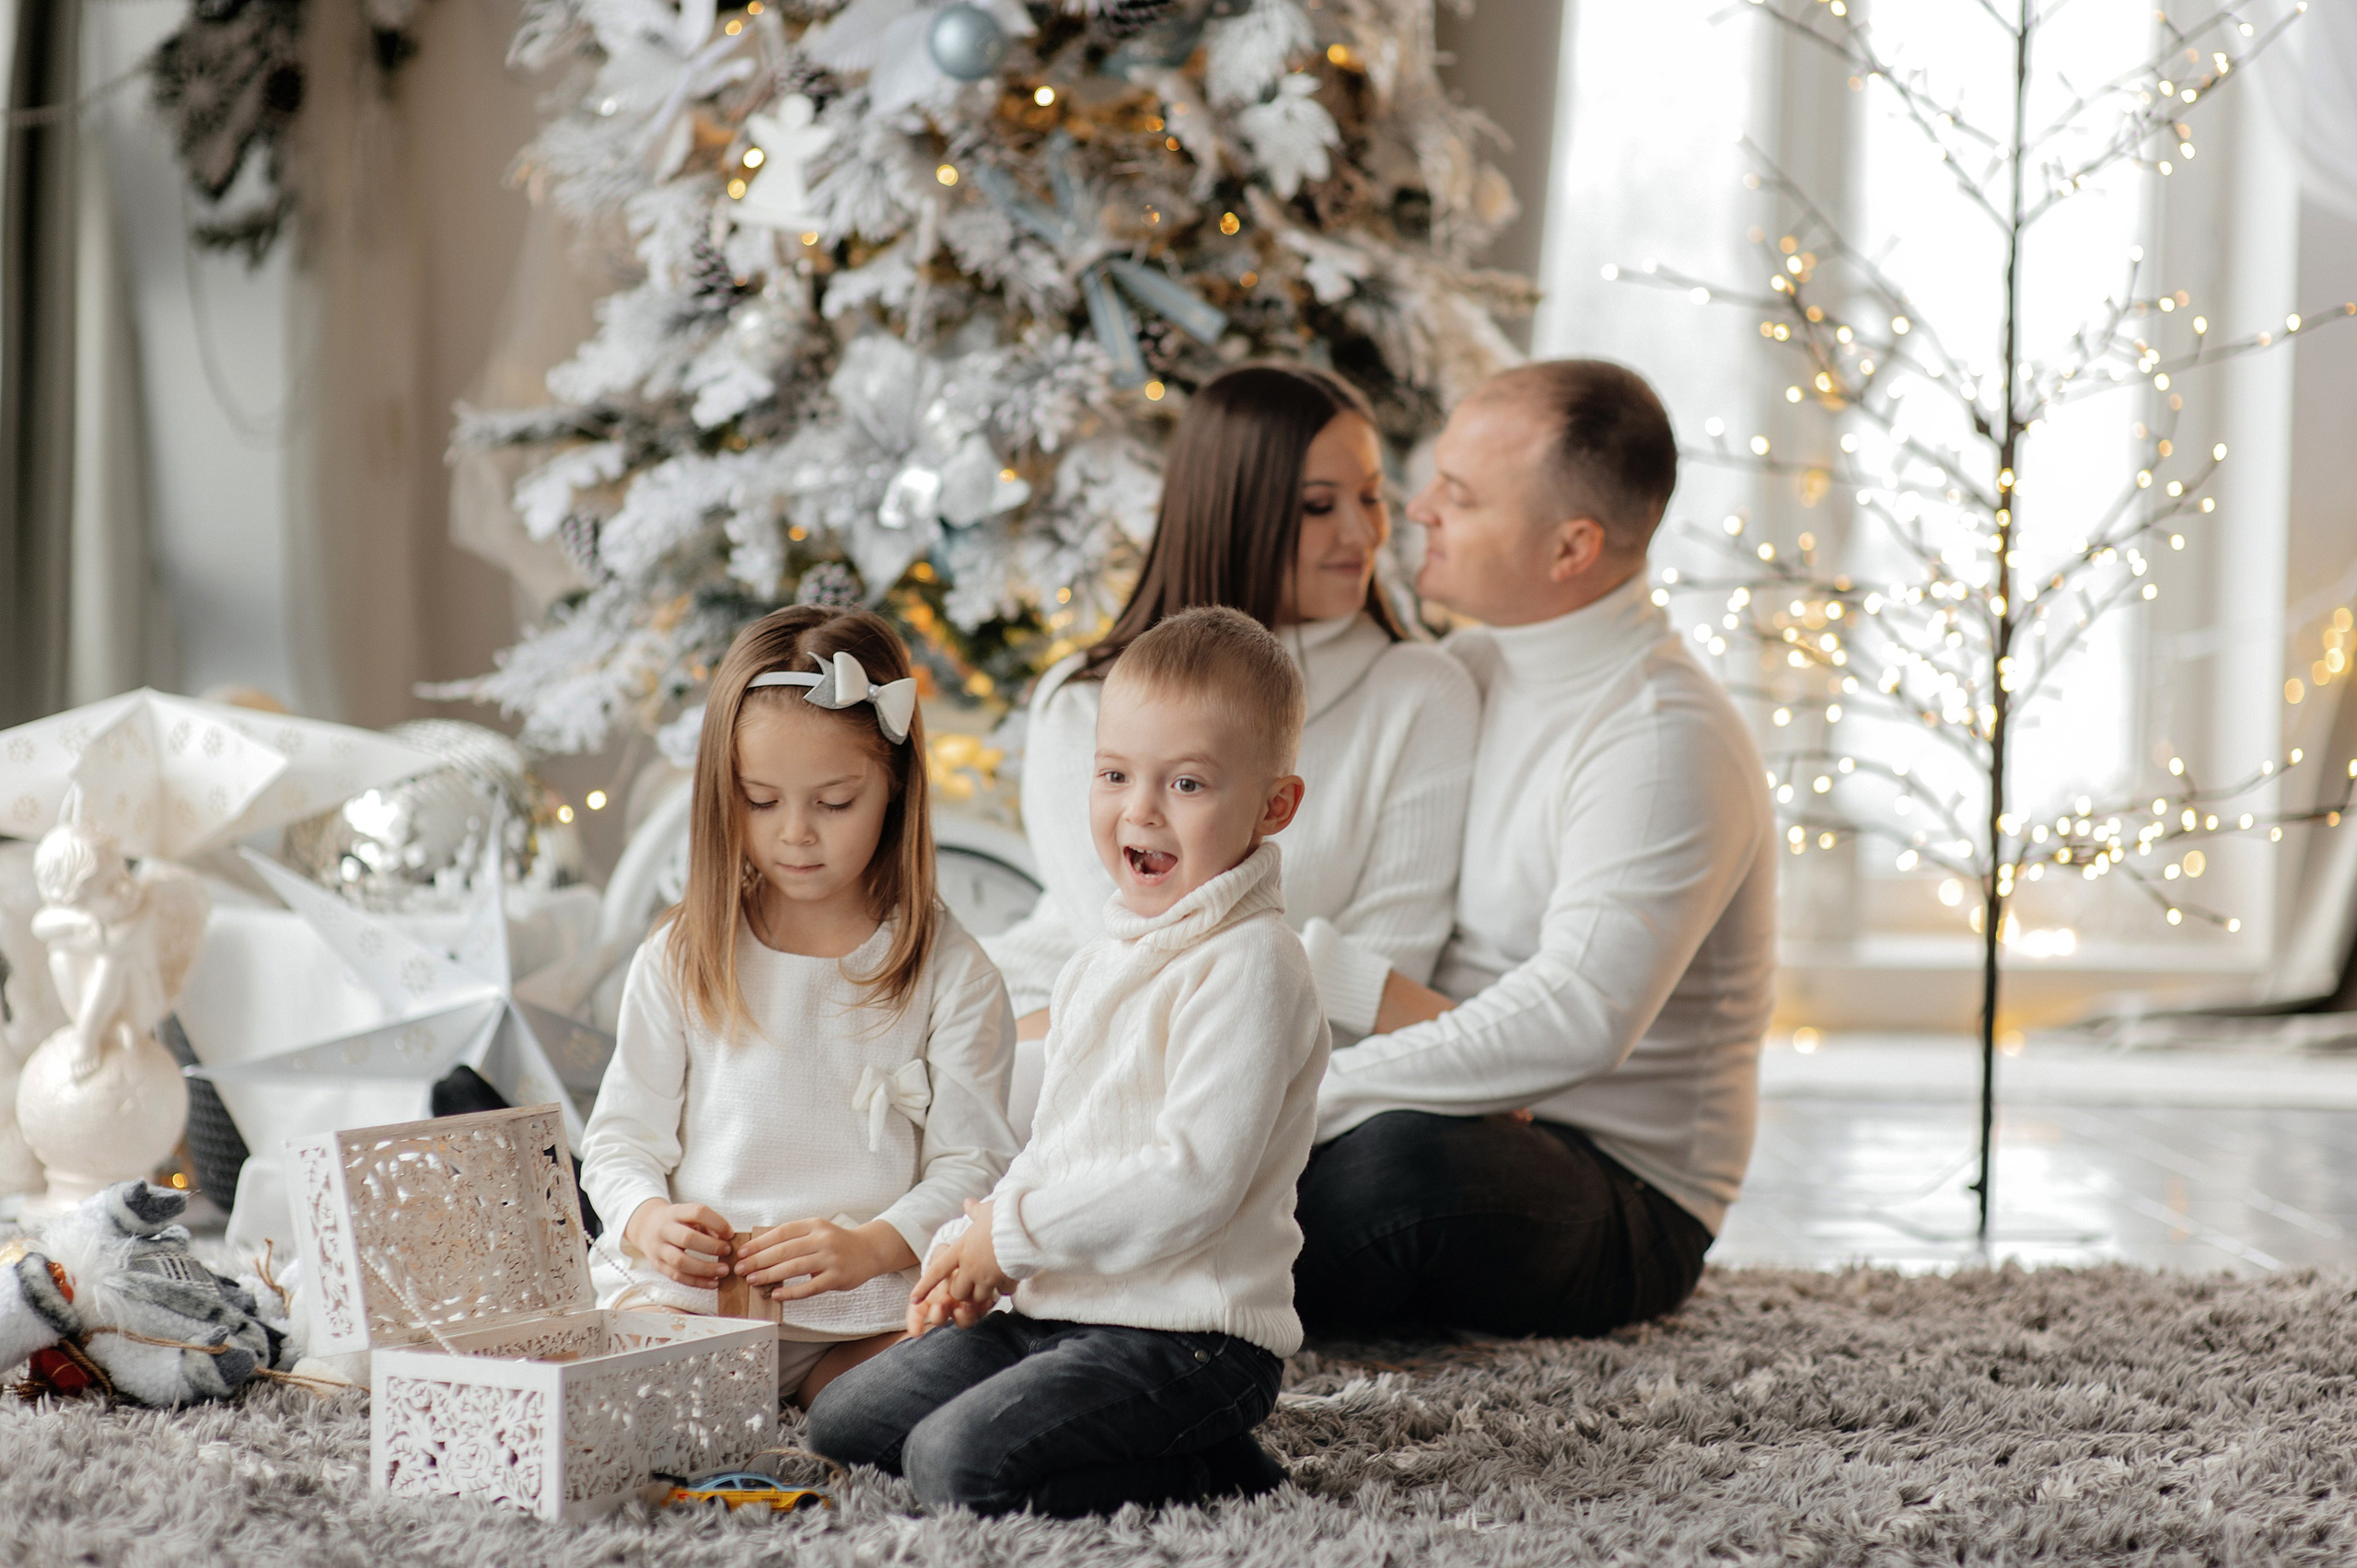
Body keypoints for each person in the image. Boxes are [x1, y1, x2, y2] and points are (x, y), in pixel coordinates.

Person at [1295, 360, 1779, 1340]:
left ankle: (1130, 1297)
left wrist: (1319, 1095)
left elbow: (1572, 1018)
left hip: (1610, 1185)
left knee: (1394, 1166)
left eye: (1459, 495)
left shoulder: (1657, 737)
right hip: (1438, 1089)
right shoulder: (1463, 670)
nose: (1415, 509)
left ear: (1571, 546)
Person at [808, 607, 1329, 1516]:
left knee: (953, 1462)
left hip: (1191, 1338)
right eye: (1115, 774)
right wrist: (973, 1248)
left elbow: (1189, 1182)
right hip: (1059, 1312)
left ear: (1272, 805)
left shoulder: (1253, 964)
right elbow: (1061, 1143)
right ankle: (1106, 1423)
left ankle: (1211, 1462)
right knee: (844, 1418)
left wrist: (1012, 1238)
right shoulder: (1102, 956)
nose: (1141, 810)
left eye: (1190, 783)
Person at [985, 364, 1476, 1128]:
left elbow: (1394, 951)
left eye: (1372, 496)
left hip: (1281, 1051)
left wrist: (1310, 983)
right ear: (1235, 513)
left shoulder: (1419, 691)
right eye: (1320, 506)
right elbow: (1136, 944)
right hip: (1065, 1009)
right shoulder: (1083, 698)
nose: (1365, 533)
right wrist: (1341, 980)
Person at [579, 607, 1019, 1406]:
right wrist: (648, 1220)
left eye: (834, 802)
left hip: (863, 1312)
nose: (795, 835)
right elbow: (618, 1139)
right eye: (760, 799)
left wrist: (870, 1246)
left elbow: (972, 1165)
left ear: (894, 784)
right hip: (693, 1306)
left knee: (971, 1354)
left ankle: (822, 1385)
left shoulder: (953, 972)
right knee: (620, 1371)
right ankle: (724, 1380)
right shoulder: (683, 953)